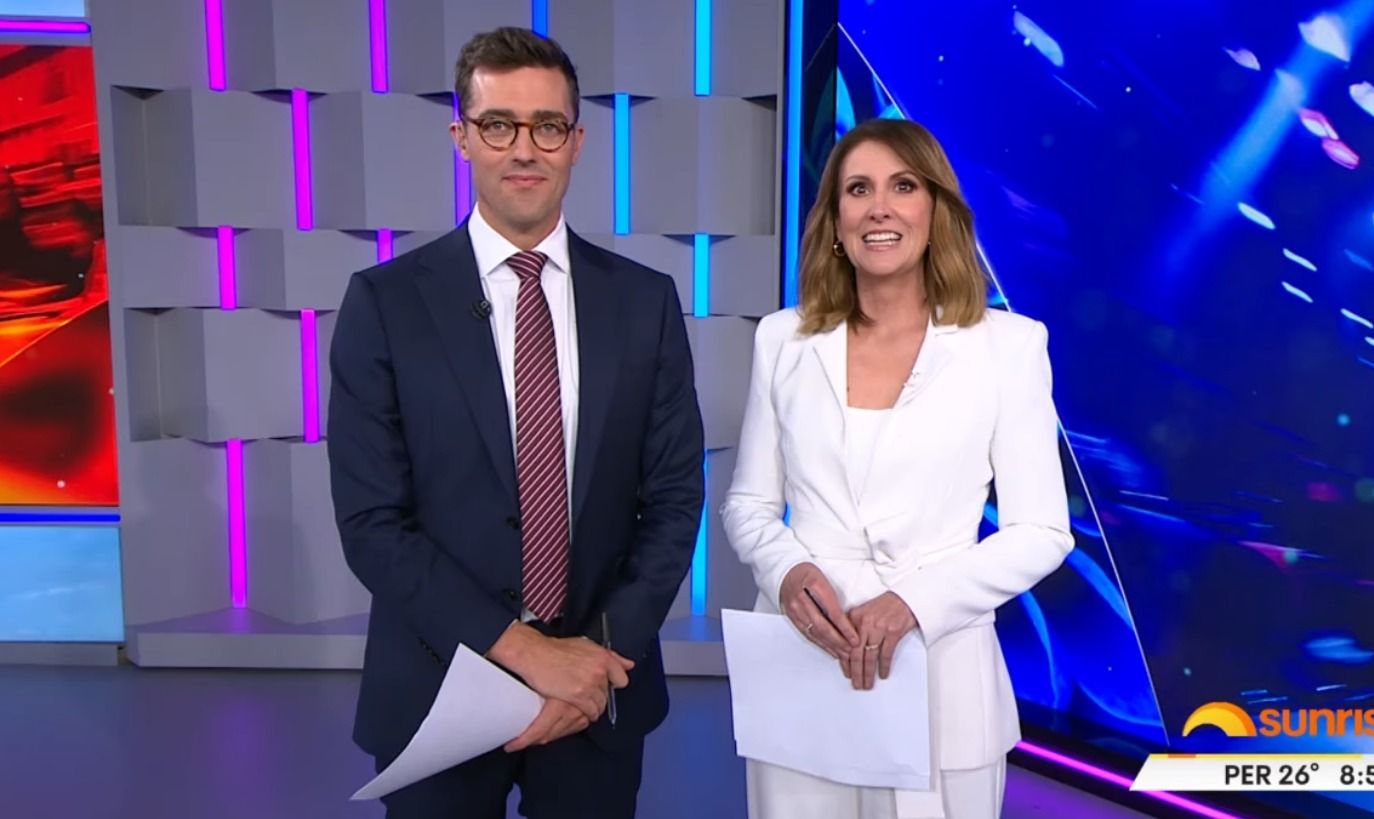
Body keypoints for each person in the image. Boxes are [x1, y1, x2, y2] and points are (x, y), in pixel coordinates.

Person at [328, 27, 705, 819]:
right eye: (498, 124)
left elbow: (674, 500)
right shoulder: (385, 303)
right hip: (437, 682)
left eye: (547, 126)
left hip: (598, 689)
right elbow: (372, 523)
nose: (524, 149)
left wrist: (594, 661)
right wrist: (529, 653)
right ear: (461, 135)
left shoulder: (645, 302)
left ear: (578, 142)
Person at [720, 118, 1075, 819]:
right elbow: (748, 505)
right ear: (836, 219)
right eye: (858, 189)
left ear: (936, 209)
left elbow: (1042, 531)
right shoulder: (782, 340)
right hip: (804, 673)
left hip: (942, 684)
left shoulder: (1007, 347)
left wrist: (915, 602)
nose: (879, 208)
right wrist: (787, 571)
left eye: (903, 186)